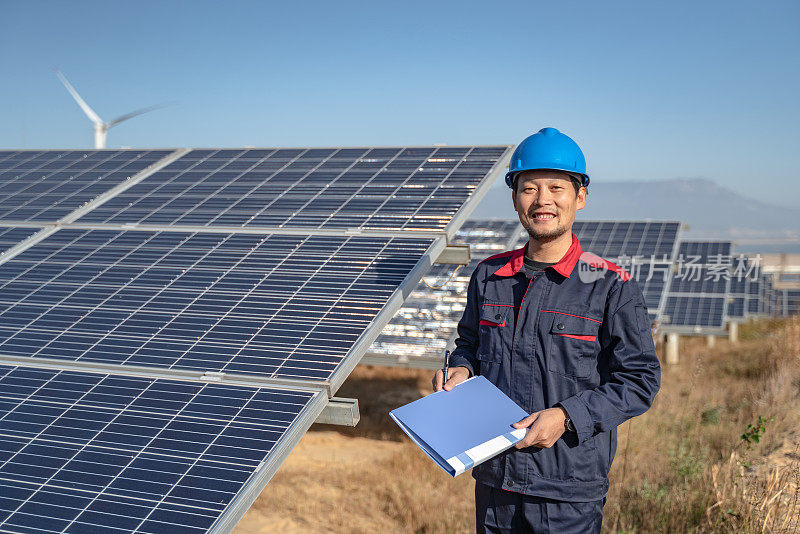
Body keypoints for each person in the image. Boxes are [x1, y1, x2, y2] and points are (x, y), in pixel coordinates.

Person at [432, 127, 661, 533]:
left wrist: (566, 416)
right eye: (529, 188)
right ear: (515, 197)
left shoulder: (611, 286)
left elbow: (640, 380)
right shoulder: (490, 275)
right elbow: (468, 344)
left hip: (567, 489)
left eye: (556, 187)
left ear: (580, 197)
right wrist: (462, 369)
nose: (542, 200)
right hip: (494, 479)